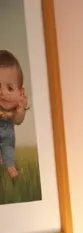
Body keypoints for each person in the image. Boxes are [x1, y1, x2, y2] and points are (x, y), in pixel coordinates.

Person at [0, 50, 28, 180]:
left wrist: (21, 110)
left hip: (8, 139)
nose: (3, 93)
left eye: (10, 88)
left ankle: (13, 174)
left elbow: (18, 121)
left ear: (20, 92)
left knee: (8, 157)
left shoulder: (14, 110)